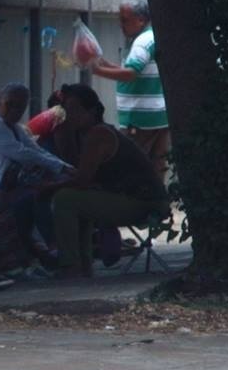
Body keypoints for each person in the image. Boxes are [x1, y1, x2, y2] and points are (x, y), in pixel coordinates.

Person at [46, 84, 168, 279]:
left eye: (75, 110)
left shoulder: (99, 134)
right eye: (67, 111)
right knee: (76, 200)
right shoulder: (84, 134)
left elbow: (81, 180)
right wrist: (64, 136)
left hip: (143, 203)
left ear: (91, 110)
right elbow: (77, 171)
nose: (71, 115)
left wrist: (47, 188)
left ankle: (71, 265)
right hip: (130, 199)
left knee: (64, 199)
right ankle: (83, 264)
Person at [88, 0, 169, 179]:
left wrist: (98, 70)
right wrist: (107, 64)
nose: (120, 25)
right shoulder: (153, 37)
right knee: (157, 166)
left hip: (140, 119)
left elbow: (131, 74)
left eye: (125, 20)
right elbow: (137, 72)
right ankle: (157, 204)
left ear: (140, 20)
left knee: (132, 165)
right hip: (159, 116)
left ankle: (136, 204)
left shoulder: (141, 42)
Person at [0, 83, 71, 192]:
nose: (12, 110)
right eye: (9, 104)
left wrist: (65, 167)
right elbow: (22, 153)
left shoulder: (14, 127)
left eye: (19, 107)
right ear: (0, 102)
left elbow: (35, 149)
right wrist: (63, 168)